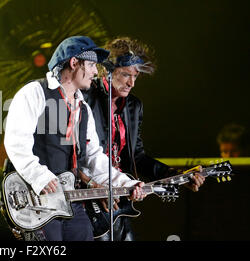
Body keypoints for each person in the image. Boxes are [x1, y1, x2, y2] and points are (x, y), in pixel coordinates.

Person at [4, 36, 146, 241]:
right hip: (38, 201)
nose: (96, 72)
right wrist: (40, 177)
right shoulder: (34, 93)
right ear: (74, 63)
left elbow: (94, 157)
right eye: (91, 65)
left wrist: (126, 183)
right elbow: (16, 143)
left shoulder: (83, 108)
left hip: (70, 201)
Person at [81, 37, 205, 241]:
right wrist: (90, 184)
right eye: (125, 75)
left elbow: (137, 157)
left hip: (119, 196)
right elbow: (76, 155)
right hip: (89, 196)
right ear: (107, 71)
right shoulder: (85, 98)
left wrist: (173, 174)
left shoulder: (133, 107)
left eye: (136, 76)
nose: (131, 83)